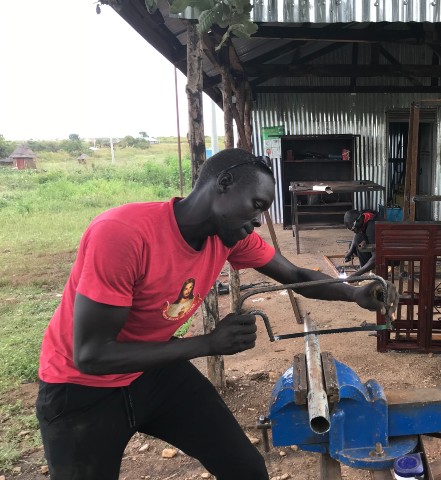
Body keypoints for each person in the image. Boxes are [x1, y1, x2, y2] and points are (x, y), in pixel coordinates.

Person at [36, 148, 398, 480]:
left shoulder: (230, 237)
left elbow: (297, 276)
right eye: (256, 204)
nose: (257, 221)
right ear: (223, 183)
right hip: (79, 391)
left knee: (245, 468)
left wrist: (355, 294)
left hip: (153, 373)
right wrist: (208, 343)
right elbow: (93, 355)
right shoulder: (123, 234)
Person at [343, 208, 380, 277]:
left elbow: (376, 257)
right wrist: (350, 252)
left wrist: (356, 274)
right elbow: (357, 234)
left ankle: (369, 270)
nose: (354, 231)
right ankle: (366, 267)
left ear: (358, 221)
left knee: (360, 244)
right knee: (355, 242)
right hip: (377, 243)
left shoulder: (371, 228)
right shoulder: (364, 215)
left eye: (354, 229)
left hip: (387, 252)